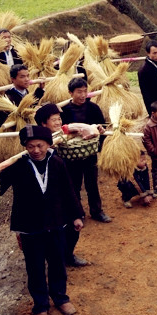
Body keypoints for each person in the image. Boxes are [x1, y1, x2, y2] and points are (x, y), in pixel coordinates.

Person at [0, 125, 84, 315]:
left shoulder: (57, 163)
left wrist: (76, 215)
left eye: (40, 145)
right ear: (25, 147)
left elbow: (69, 191)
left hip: (56, 223)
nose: (36, 150)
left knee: (57, 263)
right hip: (29, 227)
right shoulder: (18, 166)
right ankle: (40, 306)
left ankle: (61, 298)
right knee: (35, 268)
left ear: (48, 144)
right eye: (30, 146)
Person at [35, 102, 89, 267]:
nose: (58, 122)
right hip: (51, 195)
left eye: (59, 119)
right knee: (55, 229)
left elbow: (85, 131)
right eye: (54, 120)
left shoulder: (65, 133)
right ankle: (56, 259)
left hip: (69, 189)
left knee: (75, 223)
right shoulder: (39, 145)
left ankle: (68, 255)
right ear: (43, 123)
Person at [60, 77, 111, 223]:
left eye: (85, 91)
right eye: (79, 92)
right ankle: (77, 214)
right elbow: (60, 131)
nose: (83, 95)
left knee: (92, 184)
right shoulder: (64, 111)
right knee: (74, 185)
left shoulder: (93, 108)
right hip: (71, 155)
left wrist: (101, 130)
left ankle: (97, 211)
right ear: (70, 93)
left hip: (89, 153)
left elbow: (102, 126)